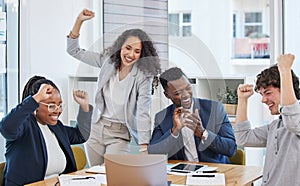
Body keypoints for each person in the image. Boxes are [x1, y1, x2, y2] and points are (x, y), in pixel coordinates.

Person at [67, 9, 161, 166]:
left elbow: (143, 111)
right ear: (120, 47)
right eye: (128, 48)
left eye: (137, 51)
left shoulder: (144, 76)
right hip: (95, 128)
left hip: (119, 134)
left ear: (142, 54)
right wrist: (79, 21)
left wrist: (144, 148)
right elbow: (73, 50)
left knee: (113, 177)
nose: (131, 54)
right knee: (94, 176)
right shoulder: (108, 61)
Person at [0, 76, 93, 186]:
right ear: (35, 105)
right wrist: (36, 98)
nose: (57, 111)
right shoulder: (24, 126)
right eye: (51, 106)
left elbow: (80, 135)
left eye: (59, 105)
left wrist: (84, 107)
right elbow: (6, 128)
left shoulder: (56, 126)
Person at [234, 53, 300, 185]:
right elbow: (242, 138)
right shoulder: (276, 126)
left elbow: (293, 120)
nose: (263, 100)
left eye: (268, 93)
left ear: (287, 89)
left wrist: (285, 70)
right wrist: (242, 100)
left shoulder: (295, 122)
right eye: (262, 94)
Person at [148, 67, 236, 163]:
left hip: (214, 171)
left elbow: (231, 149)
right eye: (178, 93)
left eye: (188, 88)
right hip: (181, 174)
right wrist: (175, 131)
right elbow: (153, 153)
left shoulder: (215, 109)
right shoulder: (162, 117)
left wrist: (203, 134)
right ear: (167, 95)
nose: (186, 95)